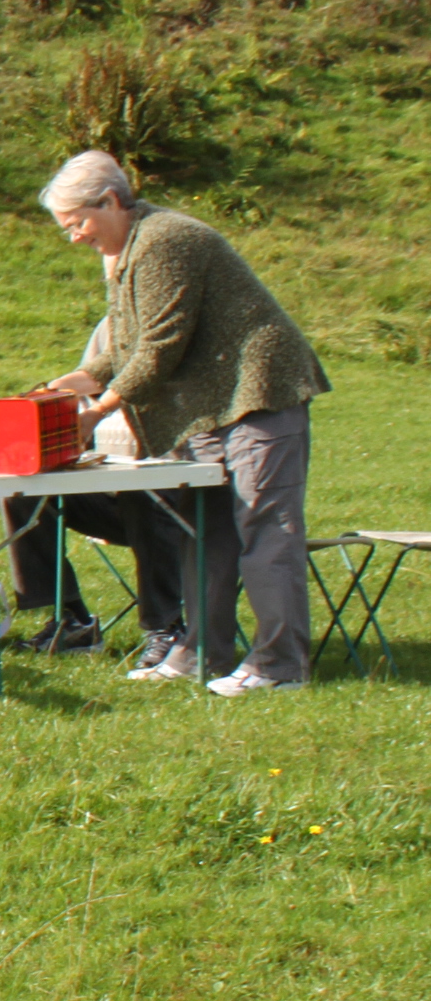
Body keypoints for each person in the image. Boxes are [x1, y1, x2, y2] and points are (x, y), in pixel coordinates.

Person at [33, 149, 329, 694]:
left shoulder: (166, 240)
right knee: (205, 531)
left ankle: (279, 666)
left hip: (260, 393)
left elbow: (160, 347)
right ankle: (200, 654)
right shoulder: (126, 251)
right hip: (209, 407)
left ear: (110, 201)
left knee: (265, 528)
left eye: (77, 223)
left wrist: (97, 411)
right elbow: (125, 347)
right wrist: (66, 385)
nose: (74, 237)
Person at [0, 320, 185, 659]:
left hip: (183, 502)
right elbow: (94, 378)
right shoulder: (114, 323)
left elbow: (146, 370)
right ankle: (71, 619)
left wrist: (100, 409)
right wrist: (51, 393)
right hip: (113, 491)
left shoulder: (177, 320)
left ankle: (167, 628)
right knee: (22, 490)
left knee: (143, 492)